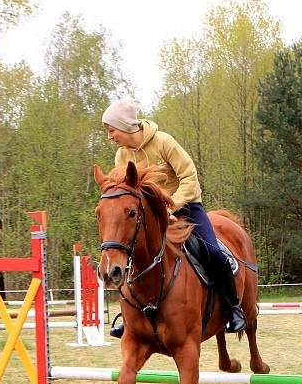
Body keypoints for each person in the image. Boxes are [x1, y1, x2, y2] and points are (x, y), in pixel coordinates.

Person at [101, 96, 246, 335]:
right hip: (150, 217)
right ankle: (130, 317)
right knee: (129, 252)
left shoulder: (163, 141)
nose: (109, 136)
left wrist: (171, 206)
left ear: (125, 126)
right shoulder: (121, 156)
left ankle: (234, 308)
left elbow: (189, 177)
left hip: (186, 207)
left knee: (212, 252)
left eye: (111, 130)